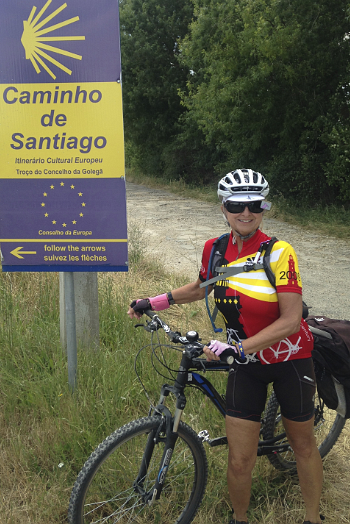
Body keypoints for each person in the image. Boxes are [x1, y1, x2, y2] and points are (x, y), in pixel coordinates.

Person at [128, 168, 324, 524]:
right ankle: (239, 519)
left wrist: (242, 346)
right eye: (236, 205)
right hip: (246, 364)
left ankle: (313, 517)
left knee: (303, 446)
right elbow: (201, 287)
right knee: (239, 458)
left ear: (264, 207)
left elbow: (291, 321)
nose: (245, 212)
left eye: (254, 205)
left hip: (290, 359)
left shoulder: (279, 253)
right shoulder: (214, 248)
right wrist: (153, 302)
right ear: (223, 207)